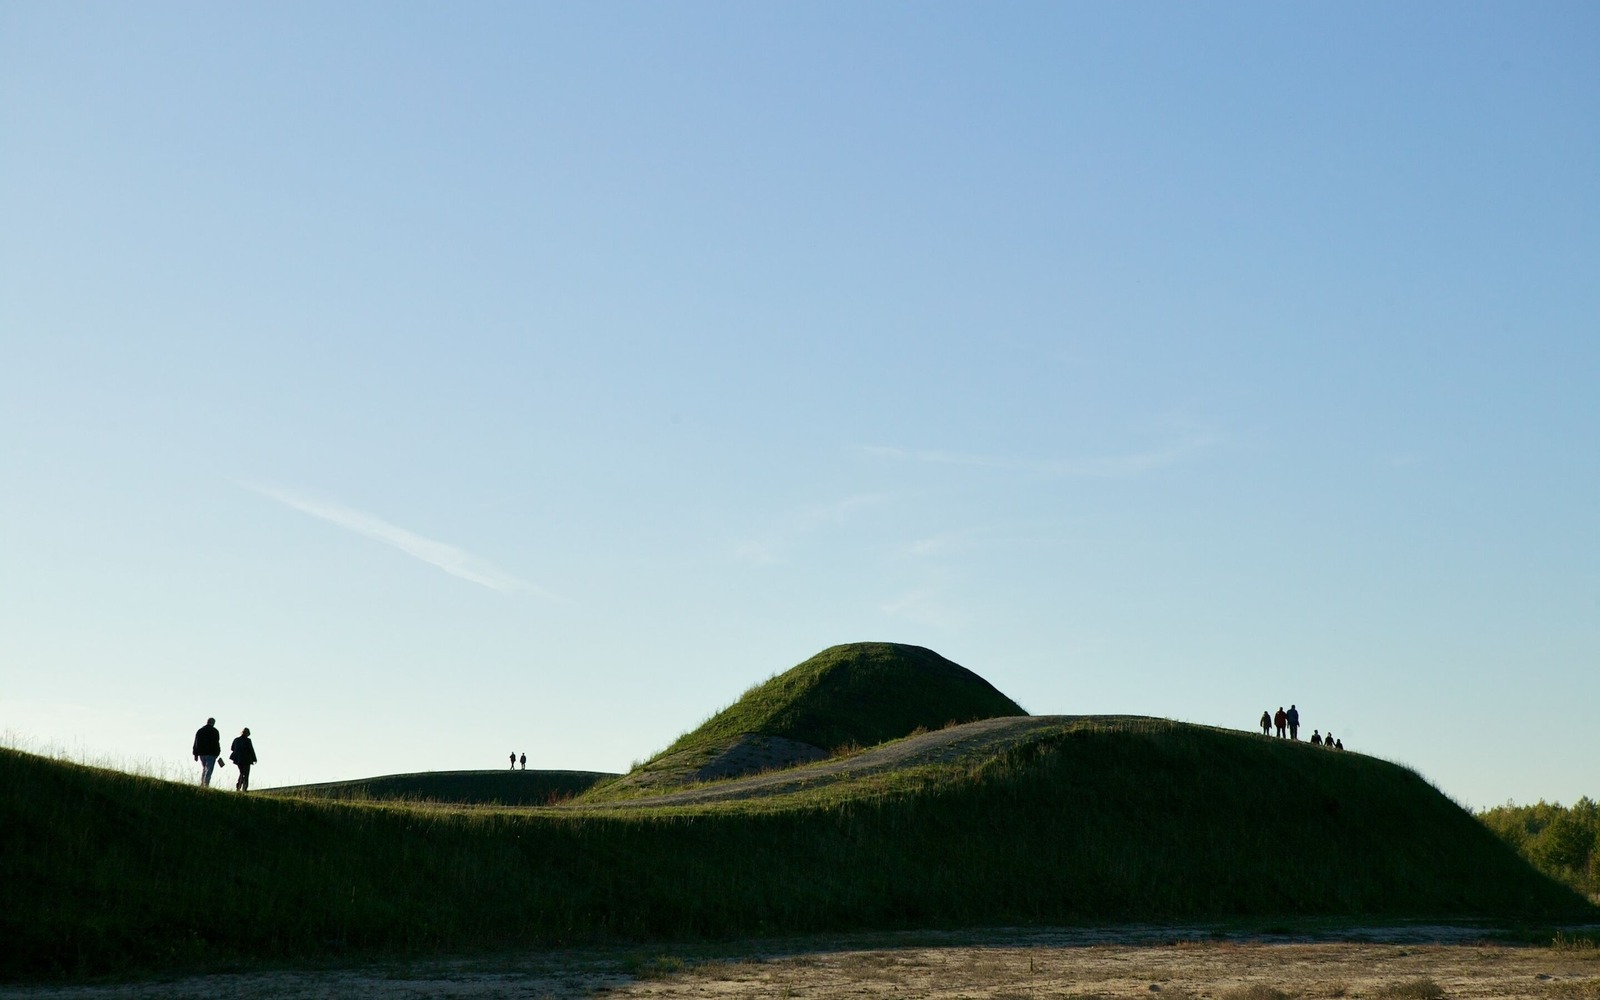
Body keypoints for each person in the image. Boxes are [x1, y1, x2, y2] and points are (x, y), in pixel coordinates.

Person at [192, 717, 223, 787]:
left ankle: (202, 783)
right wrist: (218, 752)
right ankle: (206, 784)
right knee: (209, 769)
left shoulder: (200, 731)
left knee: (204, 768)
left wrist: (195, 754)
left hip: (202, 753)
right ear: (213, 723)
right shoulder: (215, 731)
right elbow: (216, 743)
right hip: (211, 753)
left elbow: (196, 742)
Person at [230, 727, 257, 792]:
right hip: (246, 760)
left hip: (238, 760)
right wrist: (254, 759)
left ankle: (238, 787)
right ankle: (244, 789)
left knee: (242, 773)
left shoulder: (236, 740)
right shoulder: (248, 740)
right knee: (246, 774)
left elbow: (232, 748)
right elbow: (251, 750)